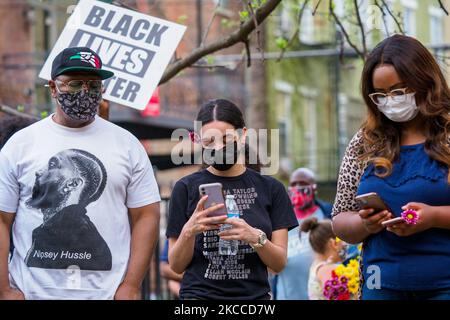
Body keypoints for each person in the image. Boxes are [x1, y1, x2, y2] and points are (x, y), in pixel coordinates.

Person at [0, 47, 161, 300]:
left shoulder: (127, 145)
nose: (85, 92)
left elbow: (146, 215)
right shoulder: (21, 144)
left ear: (73, 184)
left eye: (94, 85)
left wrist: (130, 286)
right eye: (74, 84)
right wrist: (4, 290)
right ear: (53, 88)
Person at [332, 35, 450, 300]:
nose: (390, 101)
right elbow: (340, 219)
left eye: (398, 91)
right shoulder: (365, 142)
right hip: (381, 284)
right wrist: (366, 224)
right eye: (380, 95)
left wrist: (433, 217)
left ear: (424, 81)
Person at [166, 99, 298, 300]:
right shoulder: (185, 188)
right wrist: (188, 231)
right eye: (210, 141)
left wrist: (255, 237)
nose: (218, 148)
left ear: (242, 135)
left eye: (226, 140)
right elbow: (176, 266)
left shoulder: (271, 189)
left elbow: (278, 264)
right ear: (199, 140)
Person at [273, 168, 332, 300]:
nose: (298, 188)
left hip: (321, 294)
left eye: (303, 183)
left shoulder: (328, 214)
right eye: (293, 184)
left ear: (314, 188)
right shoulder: (279, 217)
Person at [300, 217, 346, 300]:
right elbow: (339, 297)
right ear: (333, 243)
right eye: (341, 239)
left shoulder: (317, 266)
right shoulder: (327, 269)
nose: (344, 244)